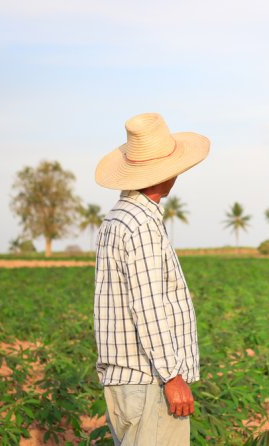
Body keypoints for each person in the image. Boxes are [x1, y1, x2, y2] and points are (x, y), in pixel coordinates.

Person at [93, 112, 210, 445]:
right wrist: (172, 376)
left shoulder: (117, 218)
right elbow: (148, 306)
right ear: (167, 173)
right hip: (149, 381)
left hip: (125, 381)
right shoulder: (142, 225)